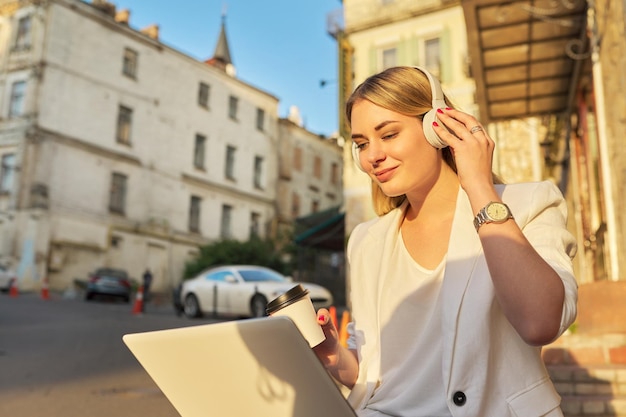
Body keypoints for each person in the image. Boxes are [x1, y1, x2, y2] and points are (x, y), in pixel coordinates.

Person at [313, 66, 578, 417]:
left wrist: (480, 187)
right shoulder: (366, 241)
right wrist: (336, 357)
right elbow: (376, 374)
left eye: (388, 134)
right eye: (361, 144)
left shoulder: (528, 204)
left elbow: (540, 322)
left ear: (437, 127)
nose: (371, 156)